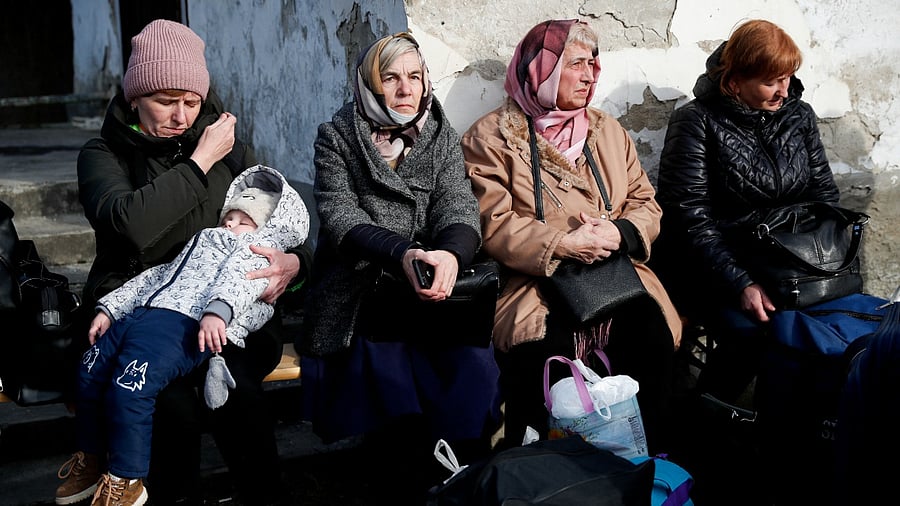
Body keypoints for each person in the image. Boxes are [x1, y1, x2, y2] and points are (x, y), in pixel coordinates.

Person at [58, 19, 311, 506]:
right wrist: (198, 163)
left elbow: (276, 219)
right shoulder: (104, 153)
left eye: (191, 102)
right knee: (168, 404)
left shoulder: (225, 146)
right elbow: (129, 224)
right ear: (135, 98)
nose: (180, 116)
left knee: (236, 391)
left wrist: (295, 265)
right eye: (165, 101)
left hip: (226, 312)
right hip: (141, 310)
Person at [297, 32, 502, 504]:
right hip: (362, 285)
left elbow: (458, 206)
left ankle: (458, 480)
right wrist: (401, 253)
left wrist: (450, 254)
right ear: (370, 84)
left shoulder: (439, 134)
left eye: (414, 76)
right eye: (390, 78)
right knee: (392, 387)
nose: (406, 89)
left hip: (429, 283)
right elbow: (341, 215)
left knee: (471, 374)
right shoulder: (338, 137)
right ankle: (403, 481)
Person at [460, 19, 683, 453]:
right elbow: (490, 221)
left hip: (617, 273)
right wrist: (560, 244)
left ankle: (645, 463)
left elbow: (646, 202)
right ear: (539, 71)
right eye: (576, 65)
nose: (589, 76)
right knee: (547, 353)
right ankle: (555, 471)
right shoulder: (491, 138)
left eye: (593, 65)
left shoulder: (607, 131)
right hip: (535, 282)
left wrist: (618, 233)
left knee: (650, 336)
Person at [57, 166, 308, 505]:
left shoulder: (252, 249)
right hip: (143, 313)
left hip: (184, 322)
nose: (231, 224)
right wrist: (110, 309)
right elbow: (157, 276)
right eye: (228, 217)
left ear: (265, 229)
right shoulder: (204, 240)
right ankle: (90, 457)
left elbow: (240, 280)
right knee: (88, 372)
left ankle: (126, 480)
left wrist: (217, 313)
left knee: (131, 387)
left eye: (244, 221)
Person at [655, 19, 841, 405]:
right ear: (735, 80)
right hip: (714, 265)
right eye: (771, 81)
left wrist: (825, 260)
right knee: (756, 332)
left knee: (827, 325)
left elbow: (824, 194)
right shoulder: (696, 121)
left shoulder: (798, 115)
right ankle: (707, 419)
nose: (783, 90)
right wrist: (740, 282)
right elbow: (688, 215)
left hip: (785, 261)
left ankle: (792, 425)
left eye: (788, 78)